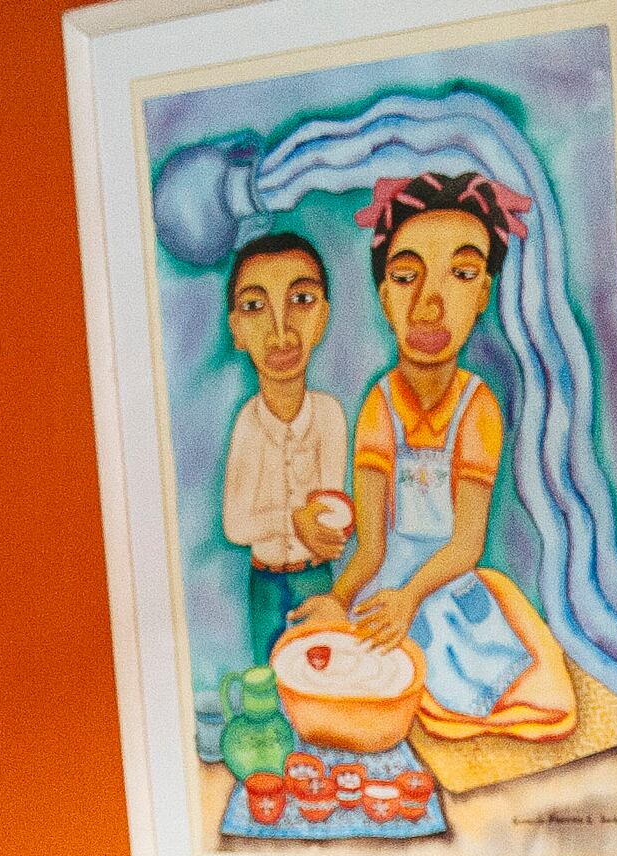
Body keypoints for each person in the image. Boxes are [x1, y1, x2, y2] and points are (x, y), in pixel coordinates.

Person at [290, 169, 577, 742]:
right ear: (382, 295)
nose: (428, 305)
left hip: (443, 586)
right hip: (384, 589)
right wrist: (339, 598)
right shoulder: (378, 405)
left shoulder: (478, 407)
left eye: (462, 274)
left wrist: (410, 600)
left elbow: (467, 543)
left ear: (484, 296)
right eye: (405, 277)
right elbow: (371, 544)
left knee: (454, 689)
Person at [217, 228, 351, 663]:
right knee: (270, 682)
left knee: (326, 681)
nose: (280, 332)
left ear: (323, 317)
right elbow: (235, 525)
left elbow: (330, 509)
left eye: (301, 300)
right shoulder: (248, 426)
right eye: (255, 307)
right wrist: (295, 521)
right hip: (265, 584)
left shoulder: (330, 415)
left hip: (317, 578)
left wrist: (331, 529)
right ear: (237, 329)